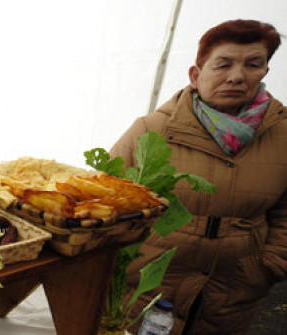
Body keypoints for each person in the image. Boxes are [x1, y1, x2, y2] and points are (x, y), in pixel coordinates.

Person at [110, 19, 286, 334]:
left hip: (233, 293)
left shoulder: (283, 136)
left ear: (265, 72)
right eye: (223, 64)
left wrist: (269, 265)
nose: (236, 76)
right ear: (196, 74)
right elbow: (104, 199)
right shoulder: (152, 130)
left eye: (252, 64)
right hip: (149, 286)